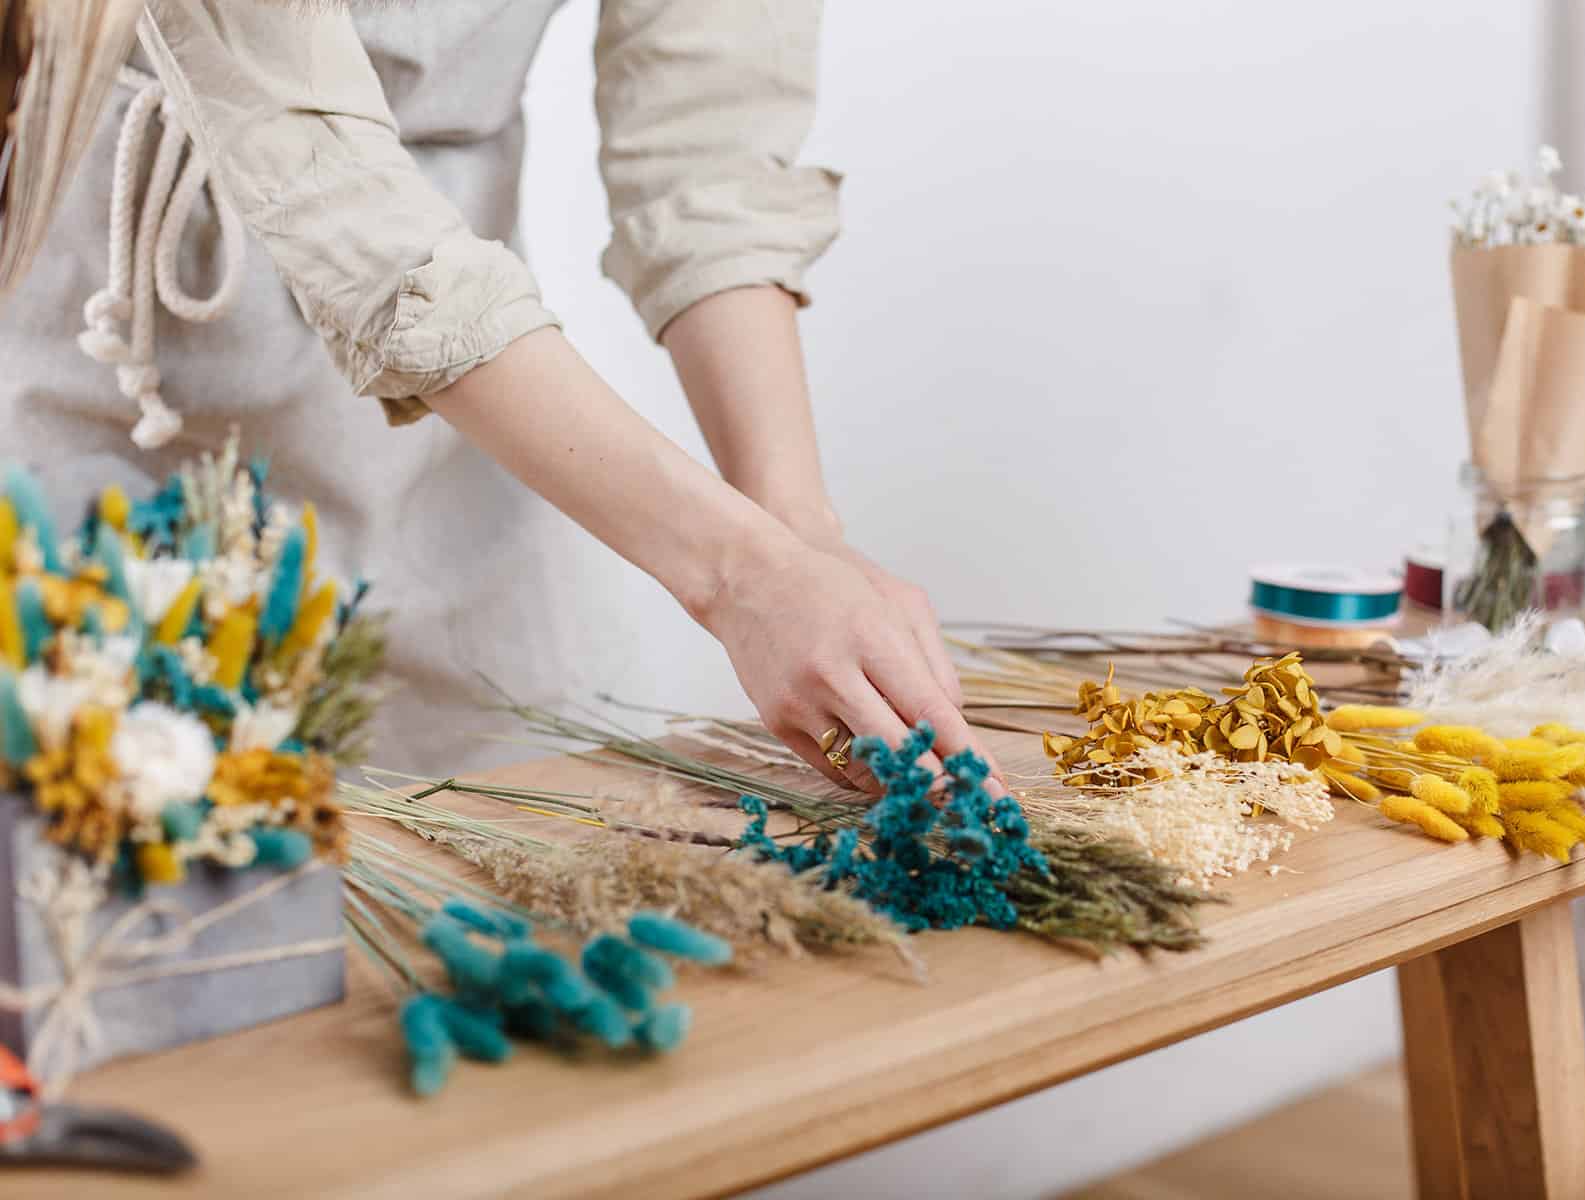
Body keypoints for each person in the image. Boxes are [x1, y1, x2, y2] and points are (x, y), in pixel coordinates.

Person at [1, 0, 999, 788]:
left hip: (483, 417)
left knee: (525, 817)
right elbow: (333, 183)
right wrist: (738, 575)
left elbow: (708, 155)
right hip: (126, 391)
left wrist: (796, 532)